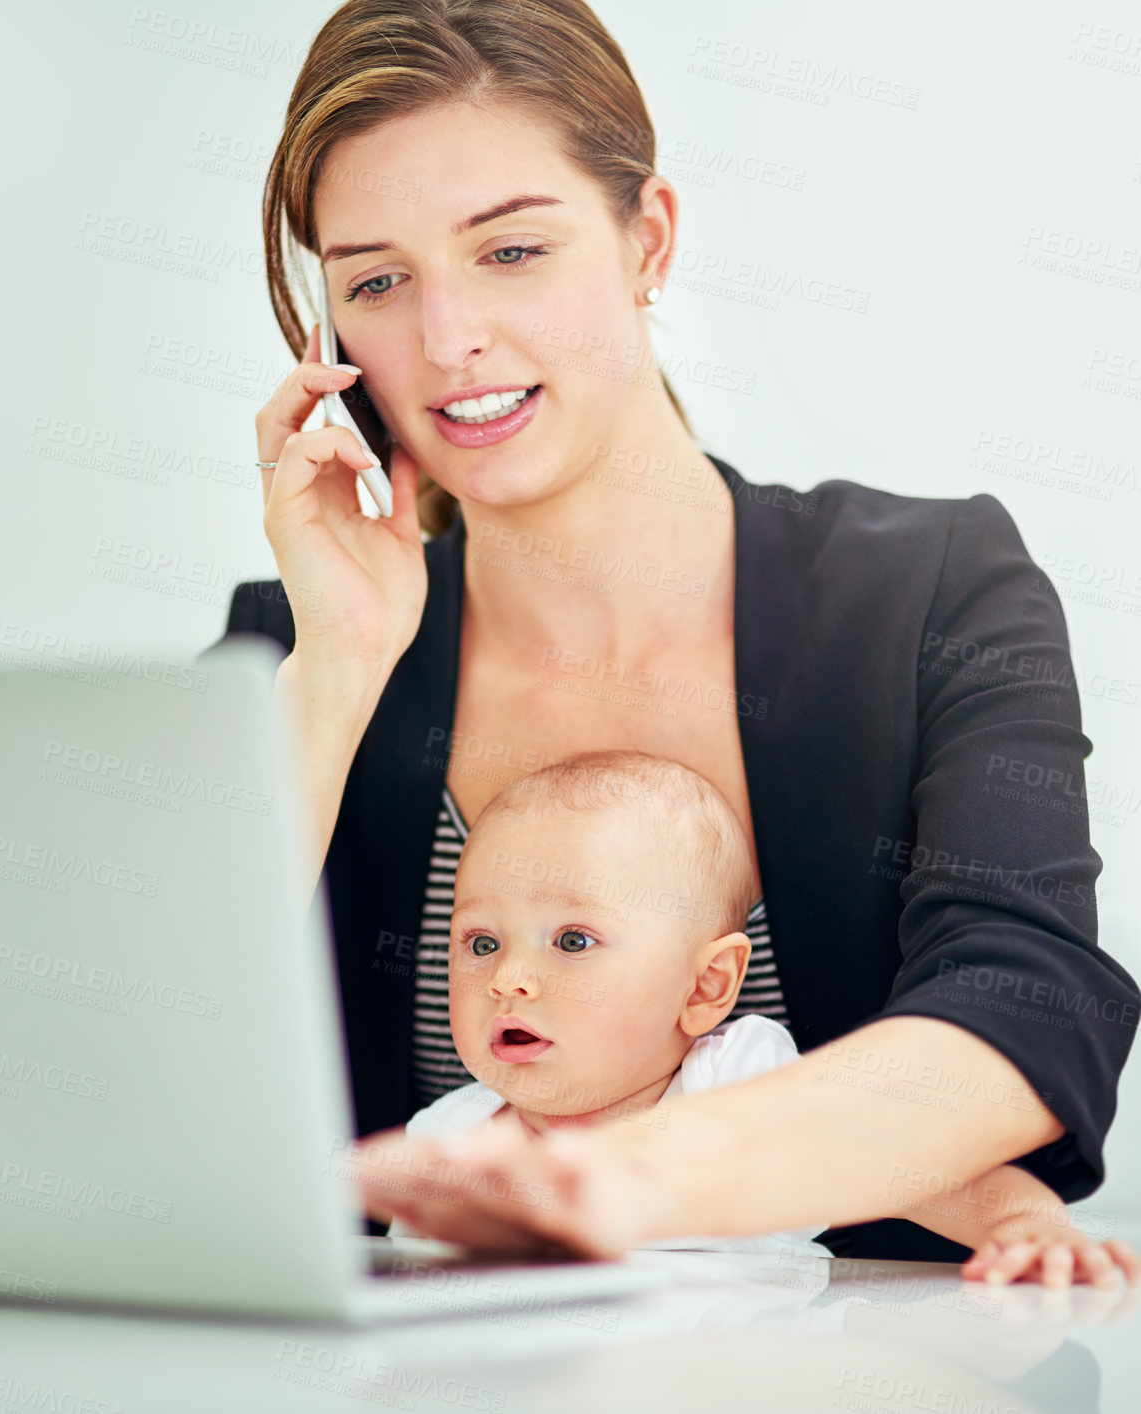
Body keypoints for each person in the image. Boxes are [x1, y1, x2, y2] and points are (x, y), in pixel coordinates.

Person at [219, 0, 1140, 1272]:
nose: (446, 341)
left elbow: (1027, 1006)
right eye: (378, 282)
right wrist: (337, 670)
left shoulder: (932, 588)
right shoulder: (296, 647)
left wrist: (614, 1176)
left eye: (511, 251)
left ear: (645, 239)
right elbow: (146, 1069)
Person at [374, 748, 1140, 1286]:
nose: (509, 979)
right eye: (479, 942)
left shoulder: (735, 1082)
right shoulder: (451, 1134)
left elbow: (933, 1176)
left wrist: (1029, 1231)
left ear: (706, 986)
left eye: (574, 940)